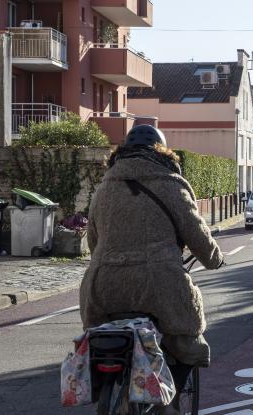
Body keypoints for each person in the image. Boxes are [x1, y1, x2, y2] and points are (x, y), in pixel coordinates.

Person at [79, 125, 223, 413]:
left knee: (100, 338)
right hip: (159, 285)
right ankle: (170, 403)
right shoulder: (171, 184)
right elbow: (197, 234)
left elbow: (94, 242)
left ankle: (109, 390)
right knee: (185, 337)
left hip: (103, 288)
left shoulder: (104, 187)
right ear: (163, 152)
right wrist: (214, 258)